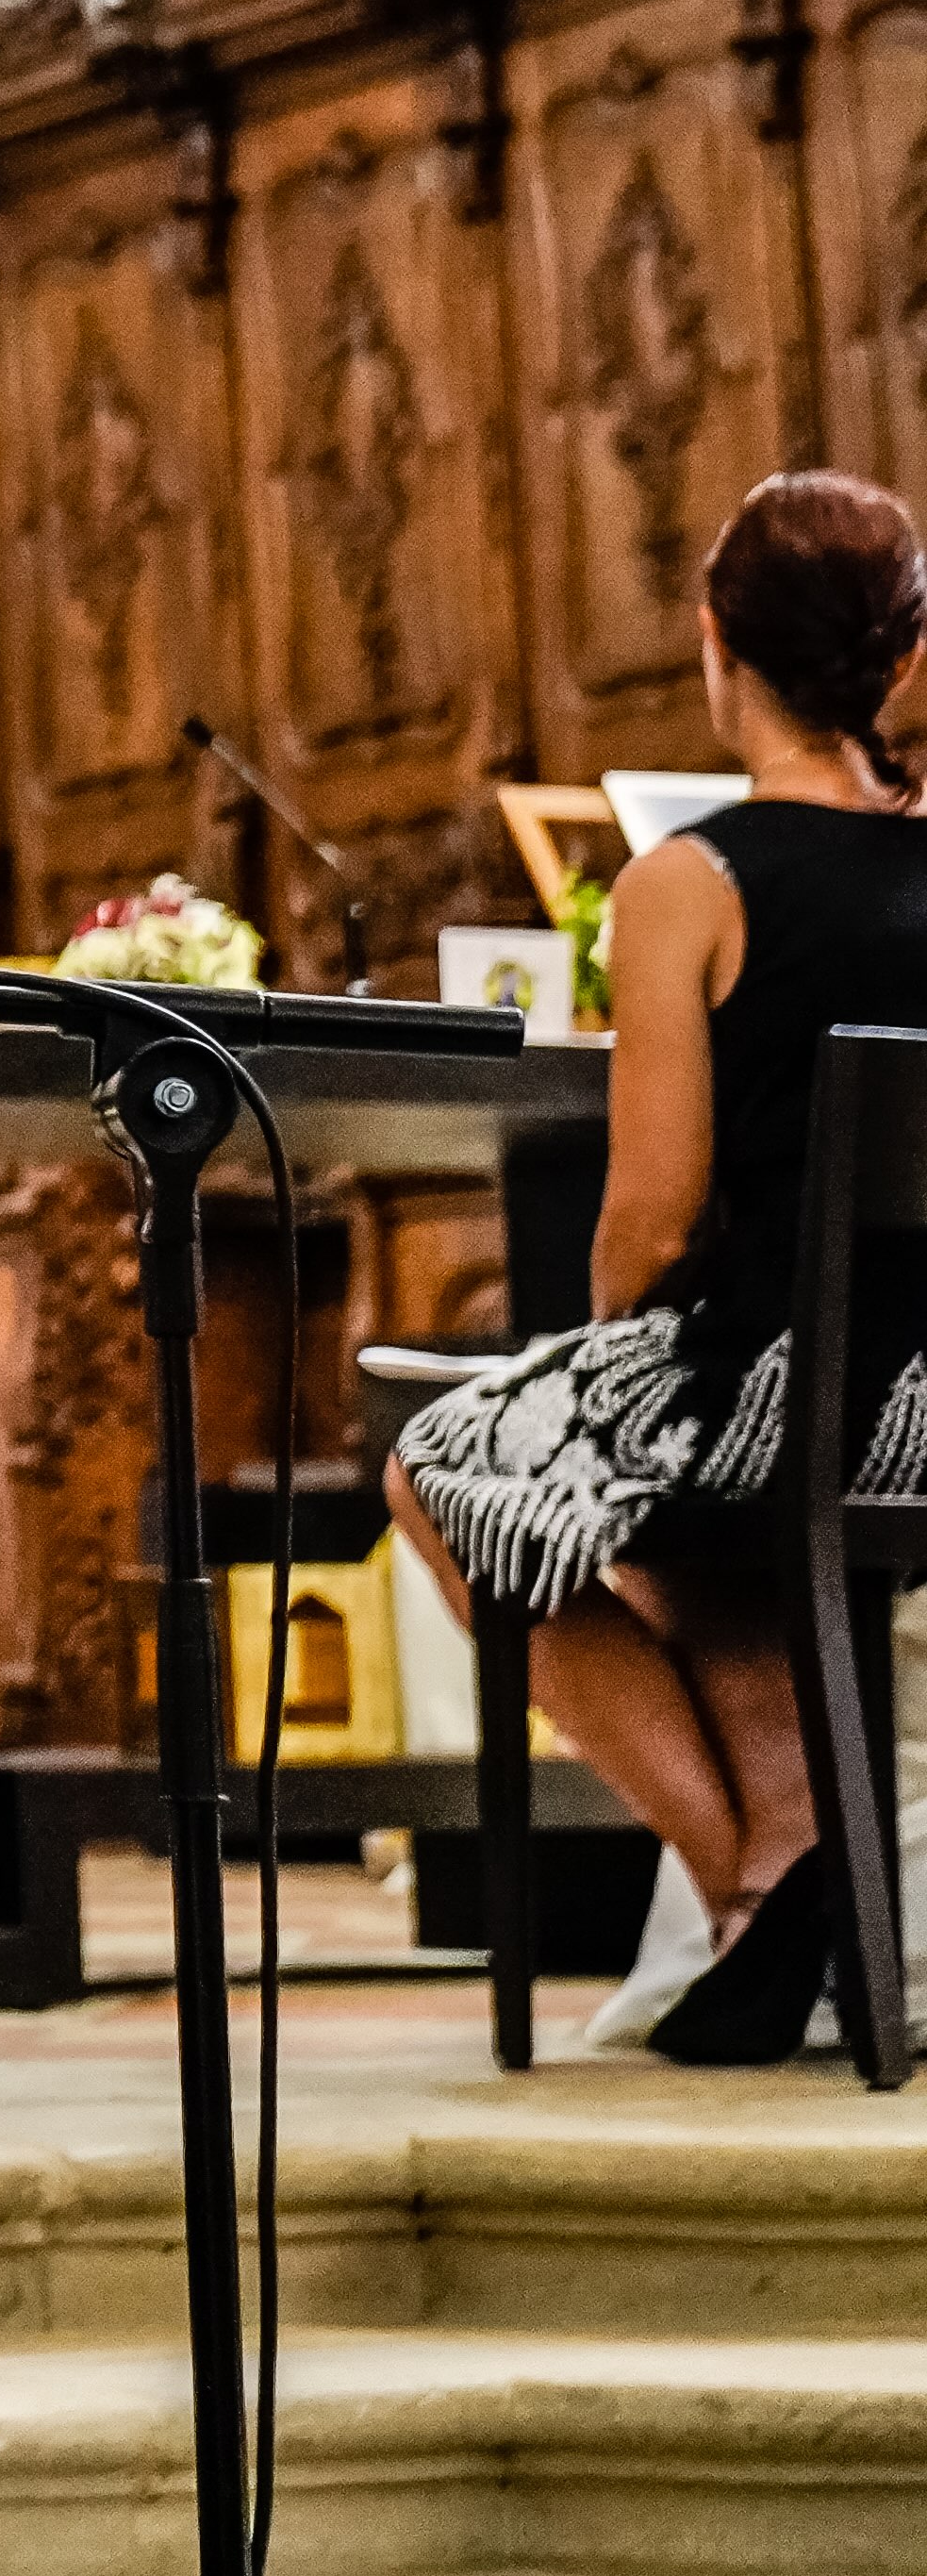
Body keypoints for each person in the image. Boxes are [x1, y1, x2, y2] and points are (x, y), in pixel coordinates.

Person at [389, 468, 927, 2065]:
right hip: (924, 1395)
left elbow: (654, 1219)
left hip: (785, 1392)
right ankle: (791, 1861)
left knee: (447, 1472)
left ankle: (755, 1879)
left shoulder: (687, 883)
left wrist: (615, 1354)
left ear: (715, 645)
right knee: (672, 1487)